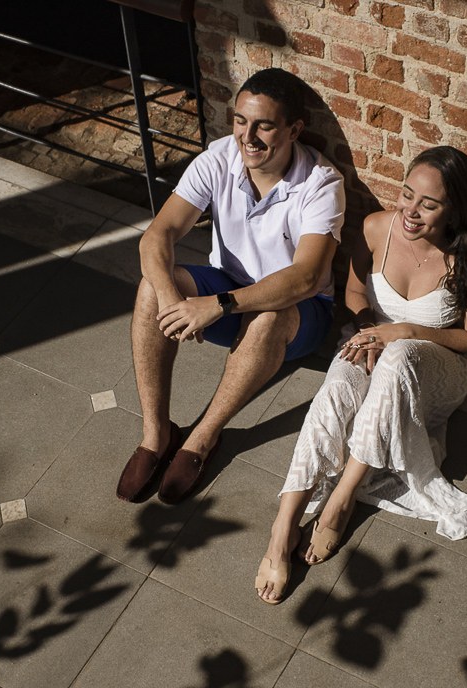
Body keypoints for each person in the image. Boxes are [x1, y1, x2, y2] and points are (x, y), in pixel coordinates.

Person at [256, 146, 467, 604]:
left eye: (429, 205)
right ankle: (283, 525)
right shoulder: (375, 228)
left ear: (454, 210)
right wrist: (372, 330)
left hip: (436, 370)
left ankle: (343, 498)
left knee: (400, 355)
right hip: (373, 341)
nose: (411, 210)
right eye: (407, 195)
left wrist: (404, 331)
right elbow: (352, 289)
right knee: (335, 390)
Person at [116, 68, 345, 505]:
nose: (248, 136)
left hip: (302, 311)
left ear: (294, 129)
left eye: (264, 125)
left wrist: (218, 306)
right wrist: (170, 299)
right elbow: (156, 236)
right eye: (241, 121)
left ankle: (202, 439)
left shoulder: (321, 184)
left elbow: (304, 277)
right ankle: (157, 434)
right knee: (151, 286)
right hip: (231, 286)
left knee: (268, 317)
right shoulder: (218, 158)